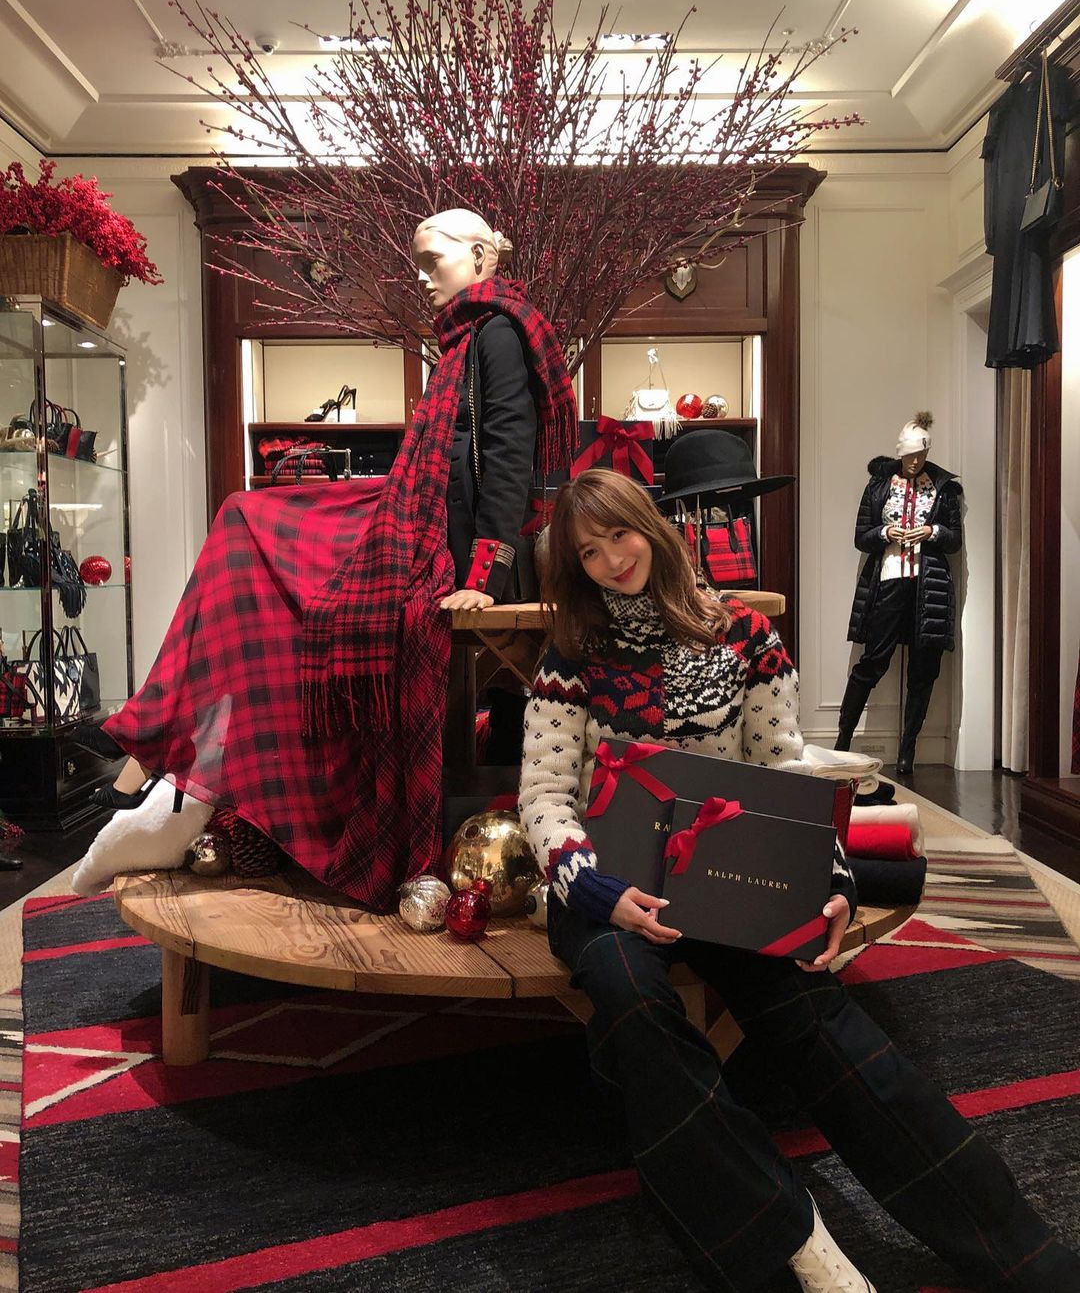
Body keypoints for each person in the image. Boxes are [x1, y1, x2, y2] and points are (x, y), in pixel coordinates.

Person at [518, 467, 1078, 1292]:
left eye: (619, 535)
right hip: (609, 886)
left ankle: (1020, 1250)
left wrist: (833, 875)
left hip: (730, 873)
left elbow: (784, 771)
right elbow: (543, 794)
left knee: (816, 1014)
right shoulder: (574, 653)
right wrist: (595, 890)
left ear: (652, 526)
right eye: (589, 553)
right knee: (629, 1001)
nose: (611, 561)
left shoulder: (746, 634)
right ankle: (790, 1240)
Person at [72, 209, 576, 907]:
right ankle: (147, 741)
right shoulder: (470, 335)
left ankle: (147, 741)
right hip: (421, 515)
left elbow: (510, 451)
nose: (422, 279)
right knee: (243, 522)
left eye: (433, 262)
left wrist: (486, 573)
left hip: (447, 539)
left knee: (246, 518)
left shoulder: (497, 331)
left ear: (483, 258)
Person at [834, 412, 962, 775]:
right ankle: (842, 739)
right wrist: (885, 533)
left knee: (924, 669)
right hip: (888, 579)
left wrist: (932, 532)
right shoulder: (879, 485)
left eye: (920, 456)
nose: (914, 463)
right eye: (909, 456)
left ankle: (908, 750)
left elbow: (954, 539)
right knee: (873, 660)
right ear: (900, 454)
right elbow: (861, 536)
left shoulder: (944, 488)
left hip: (929, 584)